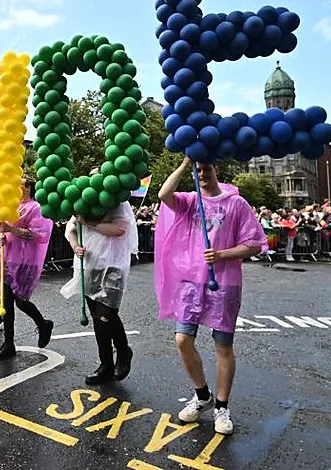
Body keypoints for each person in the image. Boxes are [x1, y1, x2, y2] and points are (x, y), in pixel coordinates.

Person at [155, 157, 266, 435]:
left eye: (206, 169)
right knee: (182, 339)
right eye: (198, 170)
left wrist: (221, 255)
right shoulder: (190, 201)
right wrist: (184, 164)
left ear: (216, 169)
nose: (202, 174)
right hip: (190, 281)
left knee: (223, 346)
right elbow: (163, 194)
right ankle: (202, 395)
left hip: (224, 282)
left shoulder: (236, 203)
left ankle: (222, 407)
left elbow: (254, 245)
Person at [0, 177, 54, 359]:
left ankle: (43, 324)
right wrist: (0, 236)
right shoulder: (10, 205)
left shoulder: (35, 208)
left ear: (27, 188)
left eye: (19, 184)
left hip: (26, 260)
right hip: (8, 257)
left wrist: (12, 230)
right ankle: (8, 343)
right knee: (6, 300)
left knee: (21, 301)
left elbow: (37, 234)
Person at [65, 200, 138, 384]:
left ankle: (123, 349)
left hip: (113, 264)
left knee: (107, 314)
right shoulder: (82, 201)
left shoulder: (117, 201)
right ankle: (105, 365)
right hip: (90, 265)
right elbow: (72, 228)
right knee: (97, 318)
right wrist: (75, 247)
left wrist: (89, 223)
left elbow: (120, 229)